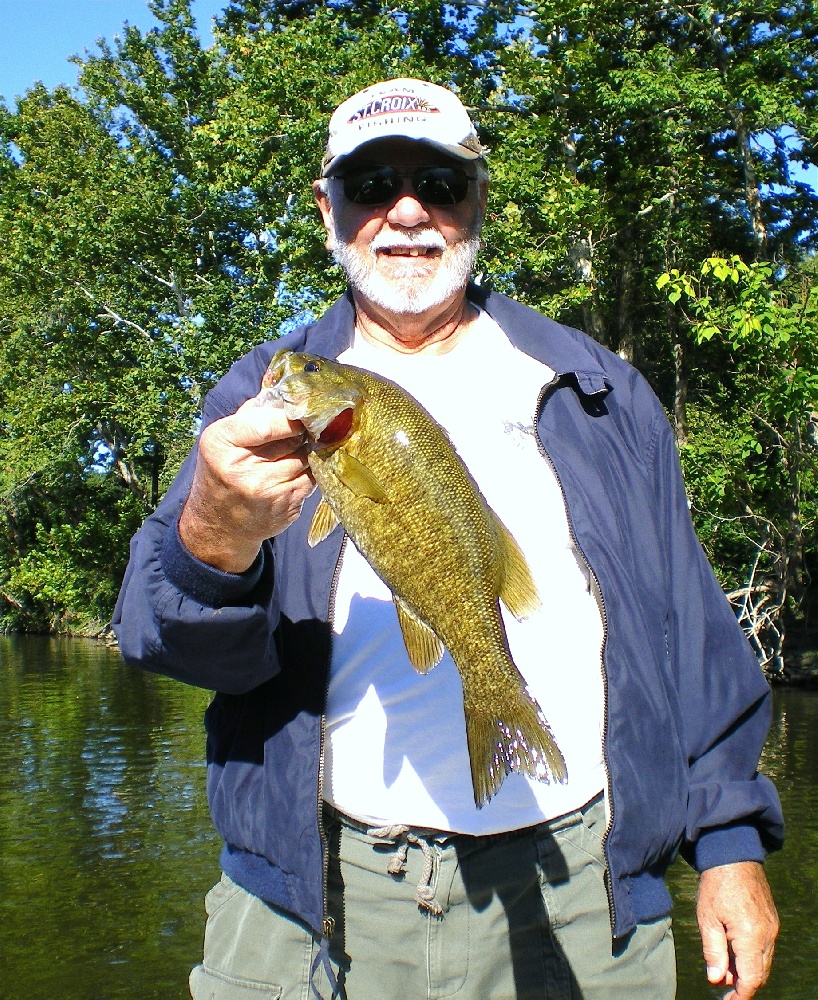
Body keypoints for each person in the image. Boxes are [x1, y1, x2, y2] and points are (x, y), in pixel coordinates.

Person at [113, 78, 783, 1000]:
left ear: (479, 199)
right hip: (318, 902)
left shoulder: (600, 393)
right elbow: (159, 638)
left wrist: (731, 843)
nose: (406, 211)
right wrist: (214, 535)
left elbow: (692, 633)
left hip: (583, 889)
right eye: (369, 183)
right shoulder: (255, 405)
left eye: (439, 181)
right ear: (327, 209)